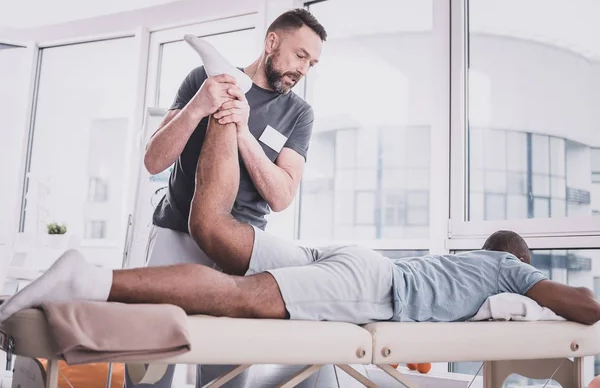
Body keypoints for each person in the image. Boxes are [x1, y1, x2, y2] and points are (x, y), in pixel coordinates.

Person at [1, 118, 600, 328]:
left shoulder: (473, 269)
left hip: (358, 263)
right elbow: (585, 304)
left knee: (215, 232)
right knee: (237, 298)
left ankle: (225, 117)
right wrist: (533, 287)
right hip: (373, 289)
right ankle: (92, 281)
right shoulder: (507, 271)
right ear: (516, 260)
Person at [139, 8, 326, 387]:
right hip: (174, 234)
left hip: (238, 252)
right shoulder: (202, 80)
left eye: (313, 62)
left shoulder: (298, 114)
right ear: (272, 42)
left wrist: (242, 131)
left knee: (225, 376)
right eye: (300, 55)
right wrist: (197, 107)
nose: (304, 69)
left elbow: (282, 194)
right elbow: (153, 159)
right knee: (148, 369)